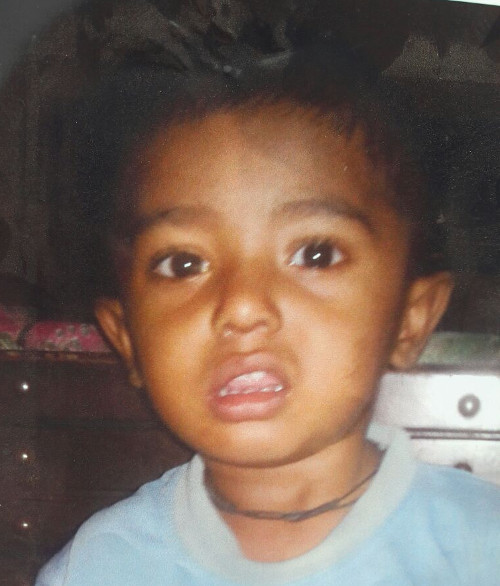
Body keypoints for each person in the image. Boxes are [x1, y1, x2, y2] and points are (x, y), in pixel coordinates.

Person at [36, 42, 499, 585]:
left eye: (315, 255)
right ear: (127, 339)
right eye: (184, 263)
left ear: (410, 320)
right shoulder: (98, 567)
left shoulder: (478, 547)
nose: (241, 306)